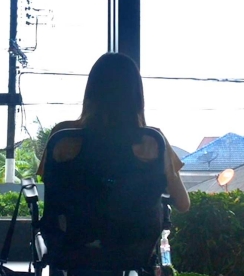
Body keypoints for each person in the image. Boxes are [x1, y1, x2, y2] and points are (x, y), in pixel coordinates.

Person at [37, 53, 190, 211]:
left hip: (74, 227)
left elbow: (51, 191)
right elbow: (183, 204)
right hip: (138, 227)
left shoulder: (63, 135)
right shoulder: (153, 140)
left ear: (91, 91)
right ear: (136, 96)